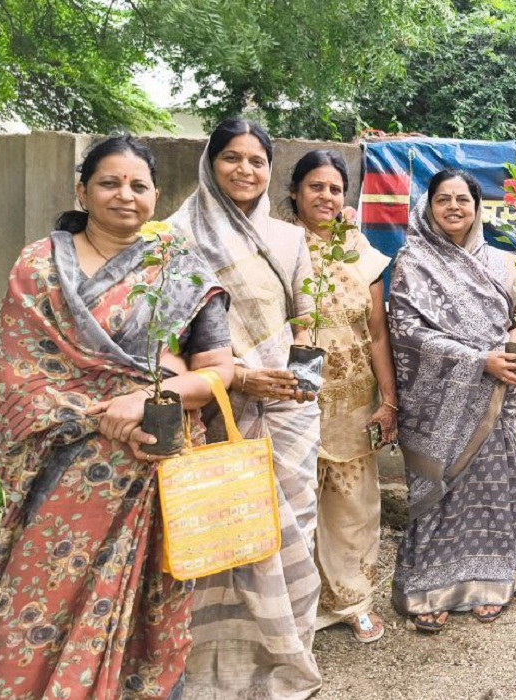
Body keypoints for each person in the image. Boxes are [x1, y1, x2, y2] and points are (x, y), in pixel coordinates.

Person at [0, 136, 233, 699]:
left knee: (148, 613)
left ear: (155, 195)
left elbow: (219, 372)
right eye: (109, 183)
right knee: (39, 603)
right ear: (83, 191)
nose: (126, 195)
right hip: (63, 472)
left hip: (153, 470)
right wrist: (99, 415)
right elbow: (18, 377)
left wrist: (148, 399)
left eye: (139, 185)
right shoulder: (38, 267)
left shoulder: (182, 270)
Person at [167, 118, 323, 698]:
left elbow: (308, 324)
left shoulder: (288, 239)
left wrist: (300, 387)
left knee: (293, 538)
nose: (245, 170)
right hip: (216, 411)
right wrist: (236, 380)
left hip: (288, 415)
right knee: (221, 536)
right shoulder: (175, 235)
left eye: (257, 160)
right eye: (232, 157)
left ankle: (287, 657)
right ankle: (213, 671)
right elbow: (167, 331)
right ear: (210, 162)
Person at [389, 169, 516, 632]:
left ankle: (490, 582)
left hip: (494, 397)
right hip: (437, 400)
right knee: (439, 491)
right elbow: (406, 332)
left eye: (463, 199)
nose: (453, 207)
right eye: (442, 199)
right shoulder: (412, 260)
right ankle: (427, 586)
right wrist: (479, 360)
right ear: (428, 207)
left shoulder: (503, 261)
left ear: (477, 207)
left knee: (491, 487)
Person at [284, 150, 397, 644]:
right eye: (316, 186)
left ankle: (352, 600)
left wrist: (388, 400)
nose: (326, 196)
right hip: (292, 398)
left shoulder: (360, 251)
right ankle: (293, 604)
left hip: (353, 402)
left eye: (335, 189)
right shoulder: (280, 246)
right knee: (294, 502)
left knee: (353, 504)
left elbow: (376, 334)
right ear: (294, 192)